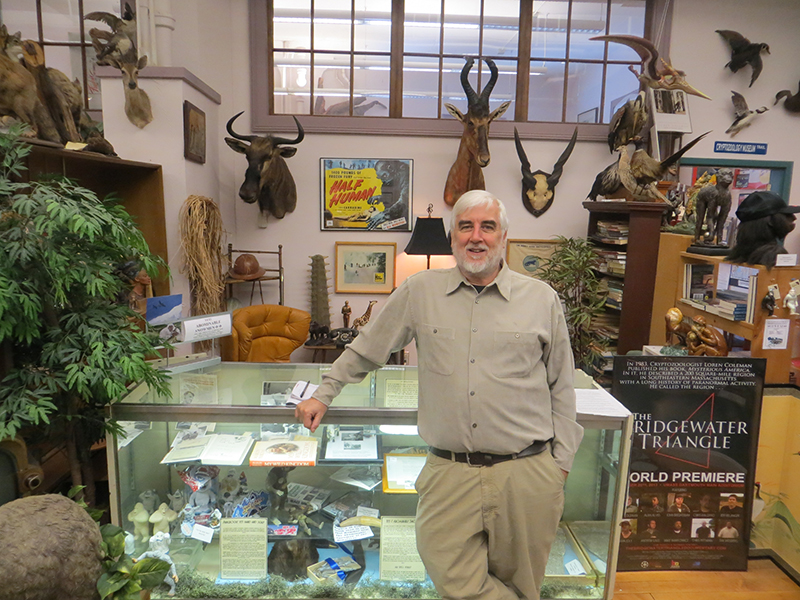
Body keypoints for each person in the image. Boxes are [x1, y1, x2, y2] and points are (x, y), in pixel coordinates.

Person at [295, 190, 582, 600]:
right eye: (466, 226)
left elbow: (562, 386)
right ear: (453, 237)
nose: (476, 236)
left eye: (487, 227)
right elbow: (367, 347)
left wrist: (560, 467)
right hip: (449, 472)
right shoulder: (420, 291)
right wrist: (324, 393)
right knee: (449, 570)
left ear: (503, 237)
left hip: (525, 474)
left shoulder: (541, 299)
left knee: (523, 582)